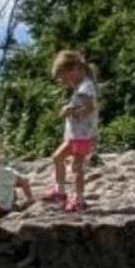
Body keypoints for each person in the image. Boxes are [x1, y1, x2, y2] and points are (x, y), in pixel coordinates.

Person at [43, 49, 99, 212]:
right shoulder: (81, 86)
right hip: (75, 135)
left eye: (66, 79)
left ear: (74, 69)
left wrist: (71, 111)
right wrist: (70, 109)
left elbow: (90, 108)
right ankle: (60, 191)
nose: (66, 83)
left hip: (83, 136)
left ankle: (79, 199)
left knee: (77, 168)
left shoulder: (85, 87)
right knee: (57, 157)